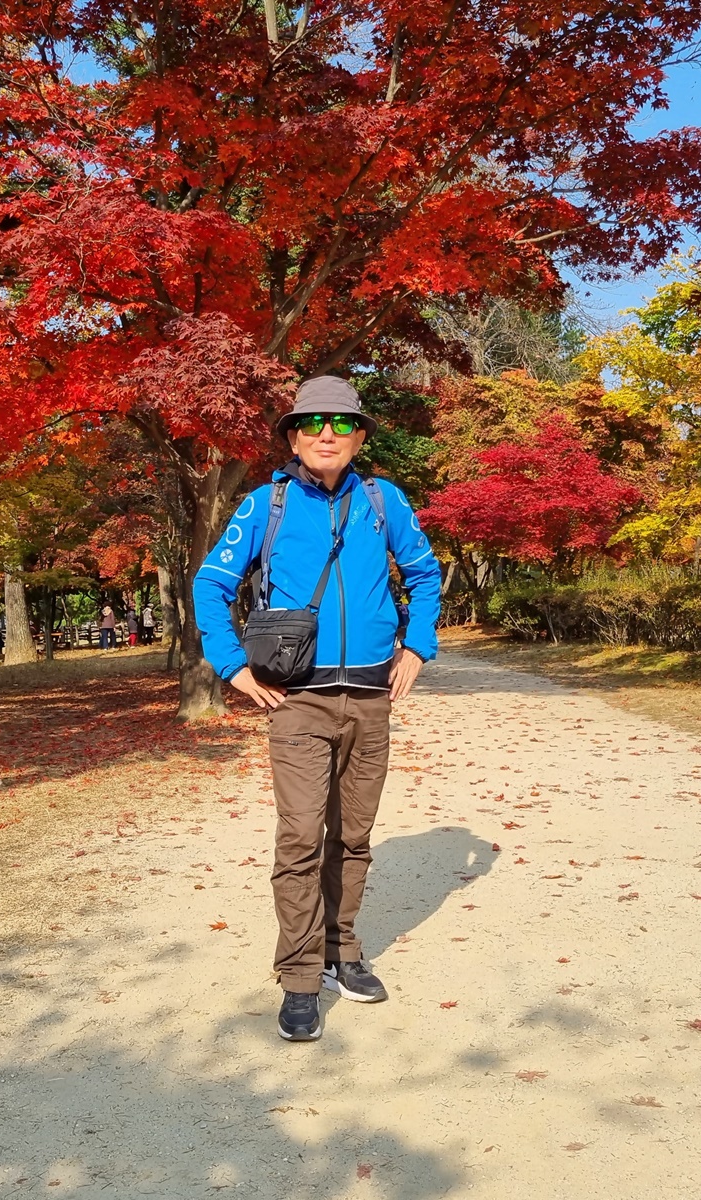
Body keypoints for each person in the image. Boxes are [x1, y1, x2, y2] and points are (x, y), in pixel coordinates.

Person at [194, 376, 442, 1043]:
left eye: (341, 423)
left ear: (360, 437)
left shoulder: (384, 500)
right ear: (292, 436)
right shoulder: (265, 505)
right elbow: (211, 583)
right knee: (302, 836)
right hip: (297, 699)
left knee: (353, 836)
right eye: (311, 423)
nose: (326, 434)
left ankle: (341, 950)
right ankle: (301, 977)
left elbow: (424, 574)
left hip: (371, 697)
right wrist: (233, 666)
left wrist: (417, 646)